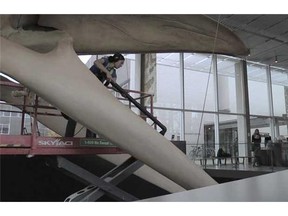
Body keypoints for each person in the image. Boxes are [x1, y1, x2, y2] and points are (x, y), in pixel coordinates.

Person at [63, 53, 125, 137]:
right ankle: (68, 137)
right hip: (84, 88)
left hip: (93, 92)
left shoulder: (113, 72)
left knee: (92, 114)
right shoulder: (105, 60)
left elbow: (114, 84)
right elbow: (96, 62)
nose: (121, 65)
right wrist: (106, 72)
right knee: (75, 112)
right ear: (116, 59)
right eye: (121, 63)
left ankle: (90, 137)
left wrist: (122, 92)